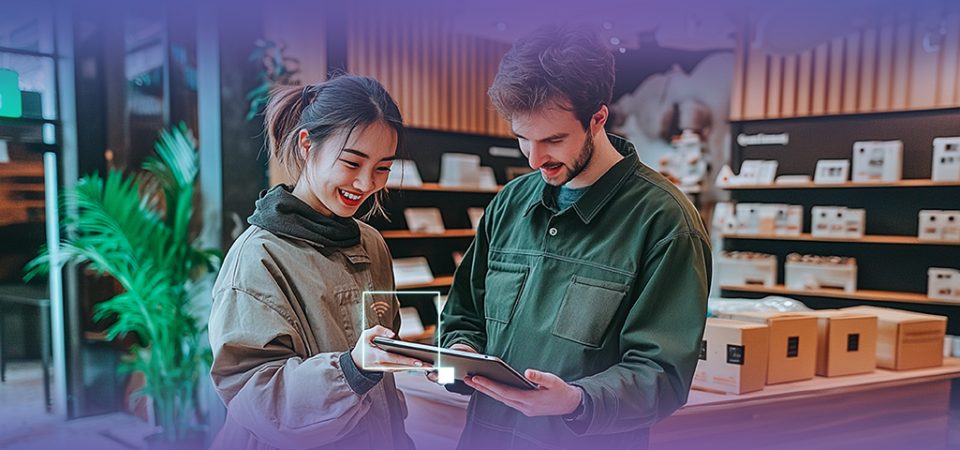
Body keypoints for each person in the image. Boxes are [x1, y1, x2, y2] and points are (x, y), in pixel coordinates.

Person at [436, 25, 711, 449]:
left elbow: (663, 373)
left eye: (554, 139)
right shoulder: (509, 203)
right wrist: (457, 354)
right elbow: (463, 316)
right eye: (522, 138)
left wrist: (578, 400)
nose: (535, 158)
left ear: (598, 118)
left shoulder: (665, 222)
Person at [208, 74, 427, 450]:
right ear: (307, 145)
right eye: (352, 163)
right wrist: (351, 370)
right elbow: (255, 395)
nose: (365, 183)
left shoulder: (372, 244)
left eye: (382, 168)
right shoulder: (258, 257)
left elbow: (383, 368)